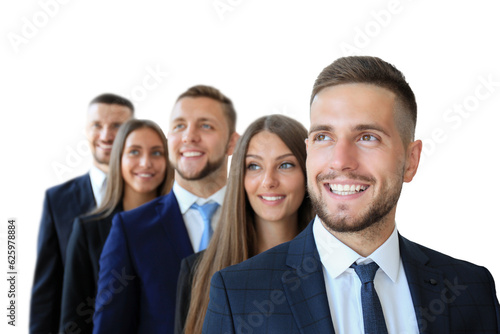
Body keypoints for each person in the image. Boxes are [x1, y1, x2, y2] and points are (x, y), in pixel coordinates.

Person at [203, 56, 500, 333]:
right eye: (324, 137)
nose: (340, 160)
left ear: (411, 161)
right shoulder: (237, 295)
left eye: (367, 137)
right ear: (308, 152)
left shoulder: (472, 289)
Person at [92, 85, 240, 334]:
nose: (188, 136)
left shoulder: (256, 220)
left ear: (232, 143)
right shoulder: (131, 230)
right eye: (179, 126)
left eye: (205, 126)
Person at [175, 115, 314, 334]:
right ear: (240, 176)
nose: (268, 181)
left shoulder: (334, 266)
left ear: (308, 174)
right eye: (254, 166)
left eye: (285, 165)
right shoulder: (195, 271)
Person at [30, 93, 134, 334]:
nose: (106, 136)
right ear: (86, 131)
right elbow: (47, 289)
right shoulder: (57, 200)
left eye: (117, 126)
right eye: (97, 125)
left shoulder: (154, 196)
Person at [60, 119, 174, 334]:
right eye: (134, 152)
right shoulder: (88, 230)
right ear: (118, 159)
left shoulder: (181, 224)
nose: (146, 163)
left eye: (157, 153)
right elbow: (72, 322)